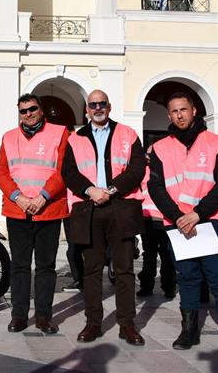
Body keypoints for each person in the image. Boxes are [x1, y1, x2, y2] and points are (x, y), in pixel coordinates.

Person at [148, 92, 218, 360]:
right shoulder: (159, 148)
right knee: (187, 278)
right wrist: (178, 217)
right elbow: (155, 187)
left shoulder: (216, 143)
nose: (179, 115)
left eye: (183, 109)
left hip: (210, 220)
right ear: (169, 115)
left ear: (194, 110)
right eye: (174, 111)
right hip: (178, 224)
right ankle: (189, 330)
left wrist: (197, 213)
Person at [62, 90, 146, 346]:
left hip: (120, 205)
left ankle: (127, 324)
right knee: (92, 270)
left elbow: (137, 167)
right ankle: (93, 323)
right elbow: (69, 172)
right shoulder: (75, 138)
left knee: (124, 269)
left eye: (102, 104)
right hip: (88, 208)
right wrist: (91, 190)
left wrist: (110, 190)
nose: (97, 108)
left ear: (109, 107)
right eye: (92, 105)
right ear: (86, 110)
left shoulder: (127, 134)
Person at [0, 94, 68, 334]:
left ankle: (44, 317)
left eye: (32, 109)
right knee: (20, 266)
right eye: (23, 111)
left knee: (46, 267)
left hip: (48, 209)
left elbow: (64, 169)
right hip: (18, 210)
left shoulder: (59, 132)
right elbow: (1, 170)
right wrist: (19, 198)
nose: (28, 114)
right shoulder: (9, 137)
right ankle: (19, 315)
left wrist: (43, 196)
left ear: (41, 110)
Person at [136, 145, 176, 299]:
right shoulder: (145, 172)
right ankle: (158, 286)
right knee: (154, 254)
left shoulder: (163, 171)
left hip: (163, 219)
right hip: (150, 219)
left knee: (162, 254)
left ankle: (165, 286)